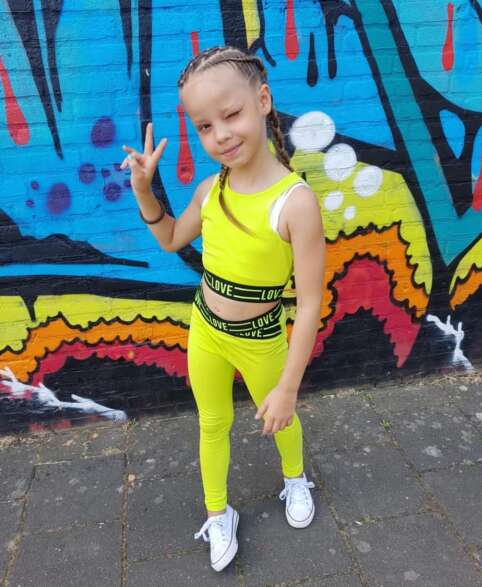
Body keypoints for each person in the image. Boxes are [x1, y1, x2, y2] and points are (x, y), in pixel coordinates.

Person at [120, 45, 325, 573]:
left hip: (261, 339)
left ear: (263, 100)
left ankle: (295, 479)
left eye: (231, 115)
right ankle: (219, 513)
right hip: (205, 331)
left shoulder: (295, 202)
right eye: (205, 126)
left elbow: (310, 305)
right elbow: (170, 238)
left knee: (281, 418)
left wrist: (288, 387)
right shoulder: (211, 190)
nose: (221, 135)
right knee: (211, 424)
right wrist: (144, 190)